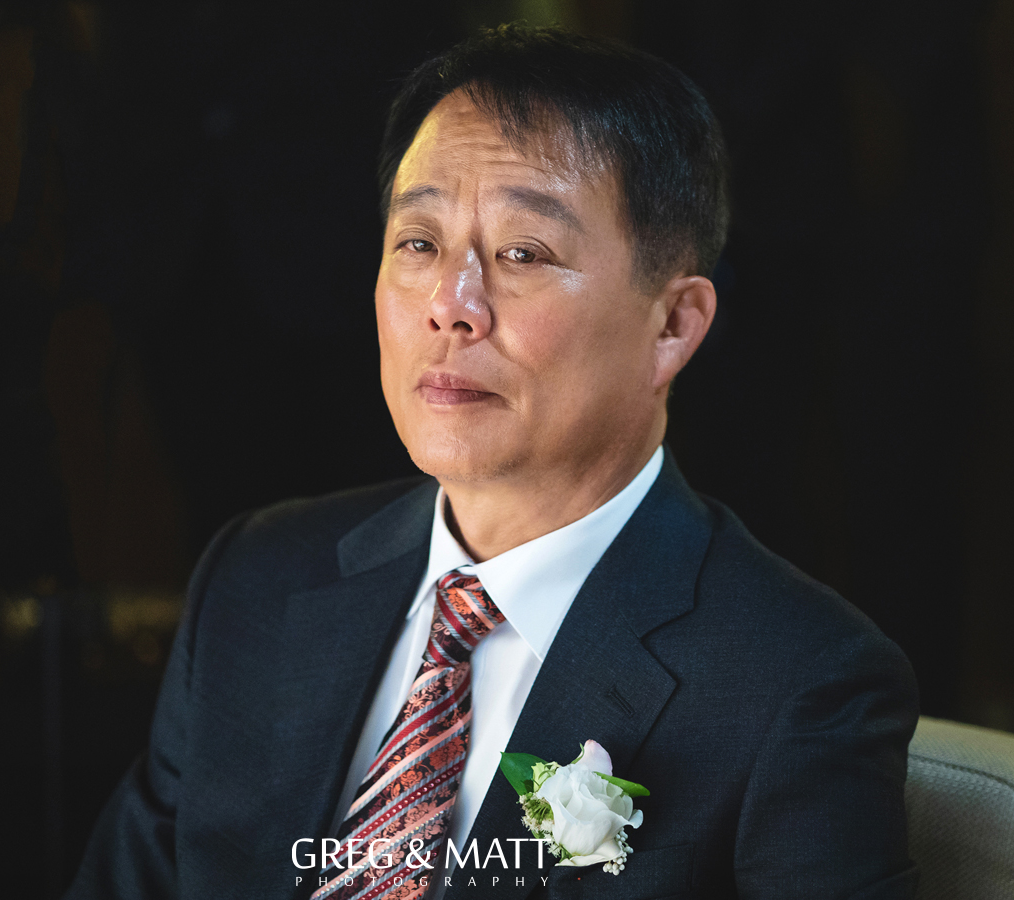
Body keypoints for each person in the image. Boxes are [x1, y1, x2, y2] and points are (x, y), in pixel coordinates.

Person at [65, 24, 919, 900]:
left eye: (522, 254)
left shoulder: (798, 682)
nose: (451, 305)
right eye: (419, 243)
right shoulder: (256, 582)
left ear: (672, 327)